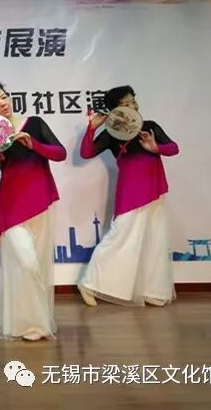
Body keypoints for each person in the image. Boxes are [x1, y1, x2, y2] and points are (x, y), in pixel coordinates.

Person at [0, 80, 66, 341]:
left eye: (4, 97)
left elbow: (60, 153)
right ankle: (27, 324)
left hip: (40, 201)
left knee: (37, 266)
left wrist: (33, 145)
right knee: (25, 263)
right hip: (10, 208)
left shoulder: (33, 124)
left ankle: (35, 322)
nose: (2, 103)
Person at [78, 85, 179, 307]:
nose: (132, 106)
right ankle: (89, 284)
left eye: (132, 101)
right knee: (119, 237)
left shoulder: (150, 127)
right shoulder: (111, 133)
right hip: (131, 192)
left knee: (155, 240)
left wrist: (156, 148)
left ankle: (152, 290)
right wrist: (91, 128)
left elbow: (173, 148)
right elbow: (86, 152)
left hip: (154, 189)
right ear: (116, 110)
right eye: (125, 104)